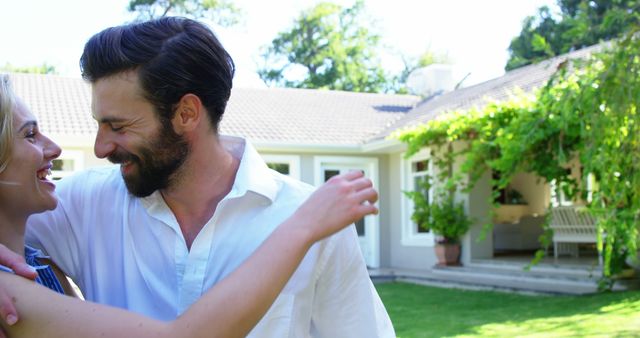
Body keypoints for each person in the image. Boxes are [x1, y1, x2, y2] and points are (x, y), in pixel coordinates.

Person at [6, 16, 395, 337]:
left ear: (187, 114)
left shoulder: (313, 219)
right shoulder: (79, 205)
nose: (100, 148)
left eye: (118, 126)